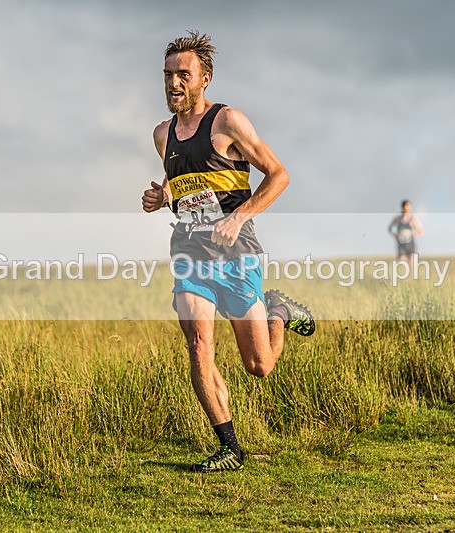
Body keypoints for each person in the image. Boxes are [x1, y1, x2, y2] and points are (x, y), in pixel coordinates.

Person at [141, 31, 315, 472]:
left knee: (259, 365)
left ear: (205, 79)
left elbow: (278, 175)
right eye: (167, 75)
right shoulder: (163, 135)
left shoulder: (228, 122)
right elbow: (187, 183)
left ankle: (278, 312)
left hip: (237, 255)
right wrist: (163, 195)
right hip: (190, 254)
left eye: (184, 74)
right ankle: (230, 447)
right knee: (199, 347)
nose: (173, 83)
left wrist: (238, 217)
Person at [388, 199, 424, 266]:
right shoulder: (398, 219)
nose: (407, 208)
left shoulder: (413, 219)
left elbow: (421, 232)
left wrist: (412, 234)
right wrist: (396, 235)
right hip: (401, 244)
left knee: (413, 264)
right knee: (403, 263)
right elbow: (390, 228)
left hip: (410, 244)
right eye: (405, 206)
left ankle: (413, 275)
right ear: (402, 207)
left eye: (408, 206)